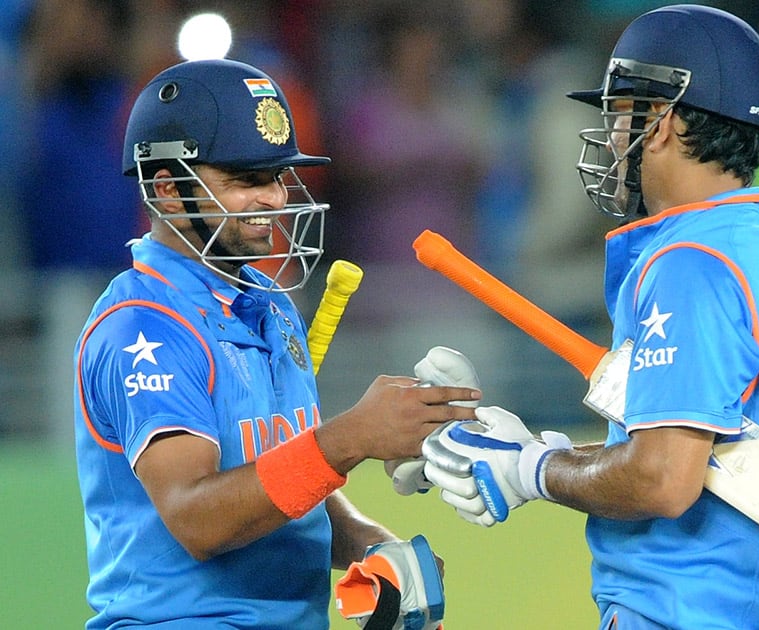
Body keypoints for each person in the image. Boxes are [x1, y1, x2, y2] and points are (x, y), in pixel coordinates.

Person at [418, 5, 759, 628]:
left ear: (665, 121)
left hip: (687, 612)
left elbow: (664, 478)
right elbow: (704, 450)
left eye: (620, 114)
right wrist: (545, 452)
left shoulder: (689, 262)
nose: (612, 136)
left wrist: (530, 470)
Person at [73, 58, 481, 629]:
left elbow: (281, 480)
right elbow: (199, 519)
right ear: (166, 188)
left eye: (276, 176)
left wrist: (369, 544)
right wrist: (349, 438)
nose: (273, 197)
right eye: (246, 179)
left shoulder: (271, 303)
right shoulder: (142, 325)